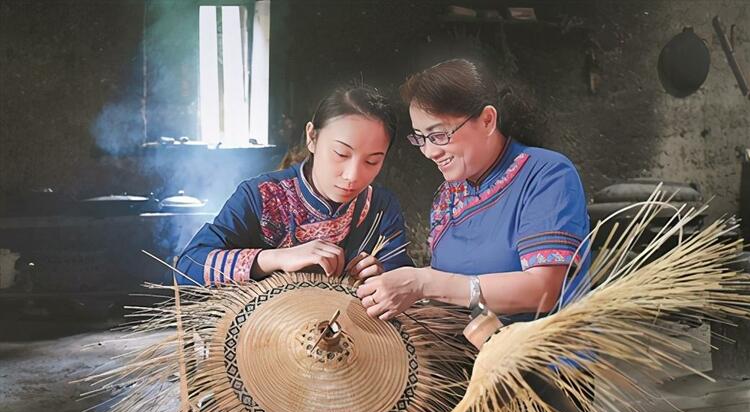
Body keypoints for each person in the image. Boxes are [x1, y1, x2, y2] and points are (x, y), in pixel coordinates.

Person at [357, 59, 590, 346]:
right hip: (465, 359)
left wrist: (423, 283)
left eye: (439, 135)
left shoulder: (546, 174)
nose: (430, 151)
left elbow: (544, 289)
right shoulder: (448, 195)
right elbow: (451, 281)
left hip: (539, 366)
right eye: (421, 138)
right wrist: (393, 281)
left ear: (487, 120)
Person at [176, 83, 413, 286]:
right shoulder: (259, 196)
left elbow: (401, 277)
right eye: (341, 154)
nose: (353, 176)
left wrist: (383, 275)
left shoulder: (380, 206)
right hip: (264, 335)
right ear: (312, 137)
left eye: (372, 161)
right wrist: (275, 258)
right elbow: (188, 267)